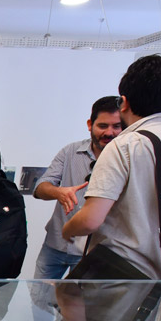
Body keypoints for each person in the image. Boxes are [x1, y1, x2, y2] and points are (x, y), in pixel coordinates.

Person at [63, 55, 161, 279]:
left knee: (77, 307)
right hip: (158, 268)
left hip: (114, 269)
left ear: (124, 102)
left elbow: (90, 219)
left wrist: (68, 229)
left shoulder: (126, 145)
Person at [32, 96, 122, 279]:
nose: (109, 133)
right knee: (38, 301)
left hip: (94, 254)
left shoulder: (125, 160)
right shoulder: (70, 151)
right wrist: (58, 192)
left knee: (77, 306)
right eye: (103, 126)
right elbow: (40, 188)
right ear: (90, 124)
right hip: (55, 246)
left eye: (116, 127)